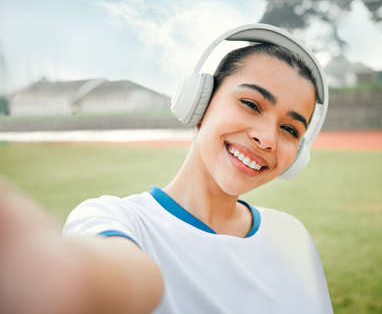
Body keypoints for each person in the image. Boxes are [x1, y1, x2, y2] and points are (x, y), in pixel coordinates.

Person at [0, 24, 333, 314]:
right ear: (200, 101)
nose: (267, 138)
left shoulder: (293, 236)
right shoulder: (116, 220)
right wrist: (52, 276)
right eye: (250, 104)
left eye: (290, 130)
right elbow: (121, 279)